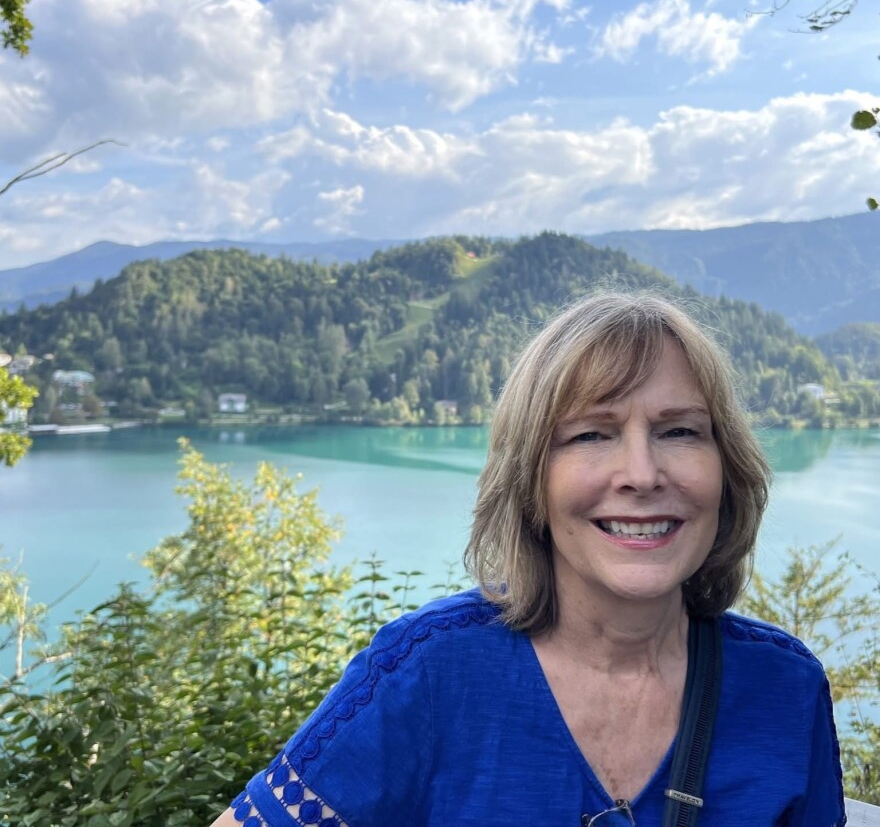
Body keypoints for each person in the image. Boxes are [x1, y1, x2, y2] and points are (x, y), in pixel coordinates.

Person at [210, 292, 846, 827]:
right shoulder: (429, 672)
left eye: (679, 430)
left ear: (727, 469)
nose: (642, 473)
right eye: (590, 434)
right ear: (529, 482)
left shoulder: (784, 689)